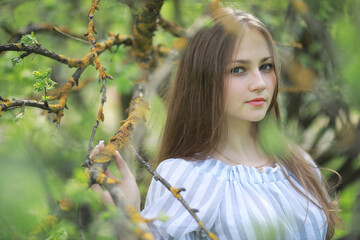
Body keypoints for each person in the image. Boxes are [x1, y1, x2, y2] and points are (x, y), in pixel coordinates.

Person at [91, 7, 341, 240]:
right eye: (238, 70)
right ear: (205, 79)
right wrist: (129, 214)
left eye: (266, 66)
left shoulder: (298, 164)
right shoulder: (183, 176)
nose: (260, 83)